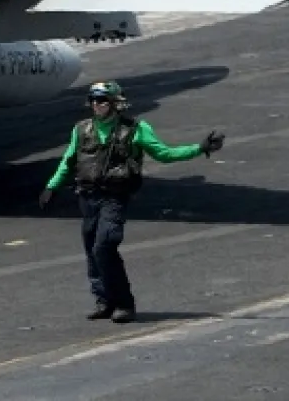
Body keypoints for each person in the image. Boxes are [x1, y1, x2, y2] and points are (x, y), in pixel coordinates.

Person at [37, 80, 225, 323]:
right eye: (93, 100)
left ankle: (124, 303)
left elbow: (164, 154)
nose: (97, 104)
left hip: (114, 197)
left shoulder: (135, 129)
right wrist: (51, 187)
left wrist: (199, 148)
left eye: (102, 100)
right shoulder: (81, 129)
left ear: (115, 103)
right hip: (88, 197)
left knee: (104, 245)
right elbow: (69, 160)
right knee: (92, 250)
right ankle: (104, 300)